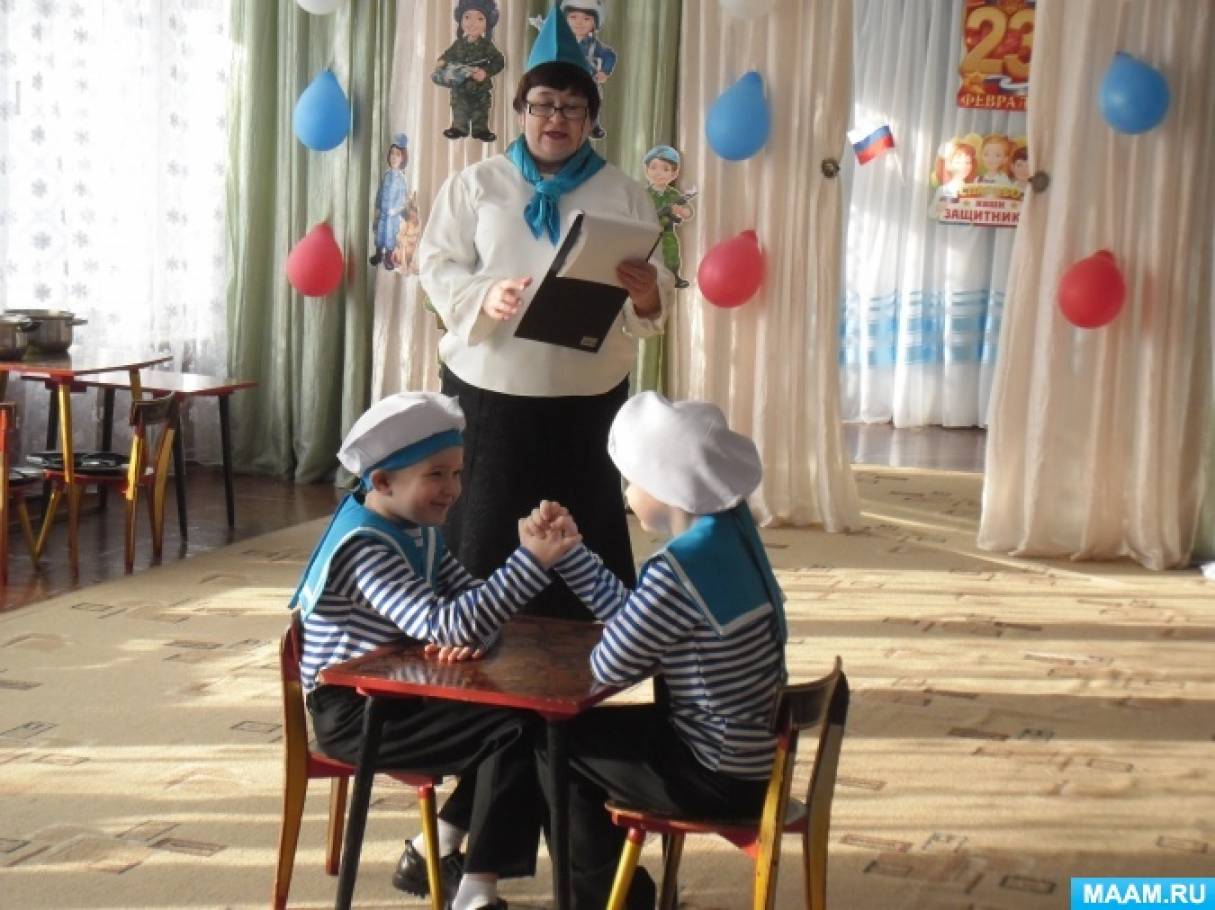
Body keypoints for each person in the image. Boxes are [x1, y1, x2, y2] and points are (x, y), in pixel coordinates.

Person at [418, 7, 671, 622]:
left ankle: (591, 657)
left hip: (587, 400)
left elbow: (654, 285)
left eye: (572, 107)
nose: (556, 118)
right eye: (543, 104)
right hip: (491, 394)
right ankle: (472, 649)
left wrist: (646, 295)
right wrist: (484, 296)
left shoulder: (623, 193)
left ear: (590, 118)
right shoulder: (477, 183)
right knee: (482, 540)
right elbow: (436, 263)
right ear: (521, 111)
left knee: (585, 542)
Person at [289, 391, 578, 910]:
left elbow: (469, 606)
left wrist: (470, 636)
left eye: (457, 473)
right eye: (436, 474)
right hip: (353, 712)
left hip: (399, 690)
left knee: (530, 718)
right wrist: (528, 565)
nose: (453, 489)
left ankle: (438, 849)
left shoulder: (419, 530)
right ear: (382, 481)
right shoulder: (365, 547)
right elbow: (451, 622)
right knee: (519, 730)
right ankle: (472, 889)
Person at [524, 391, 788, 909]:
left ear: (666, 485)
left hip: (712, 772)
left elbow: (609, 664)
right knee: (579, 740)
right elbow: (642, 620)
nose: (627, 493)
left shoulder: (677, 570)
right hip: (753, 761)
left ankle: (610, 900)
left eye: (632, 480)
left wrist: (624, 630)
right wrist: (573, 555)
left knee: (553, 745)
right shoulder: (730, 539)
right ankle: (618, 892)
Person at [434, 0, 505, 142]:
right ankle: (459, 128)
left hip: (480, 87)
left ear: (487, 24)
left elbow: (499, 61)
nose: (472, 23)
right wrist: (442, 61)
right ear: (460, 20)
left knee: (481, 108)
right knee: (459, 106)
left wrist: (485, 72)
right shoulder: (458, 44)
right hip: (460, 85)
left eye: (480, 19)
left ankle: (480, 130)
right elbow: (447, 55)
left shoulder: (487, 45)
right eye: (467, 17)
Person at [560, 0, 615, 140]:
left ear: (594, 24)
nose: (579, 23)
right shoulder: (561, 43)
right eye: (573, 17)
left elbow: (609, 56)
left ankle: (593, 125)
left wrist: (605, 71)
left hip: (588, 80)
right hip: (564, 80)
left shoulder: (594, 46)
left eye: (586, 19)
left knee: (592, 101)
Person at [642, 145, 693, 289]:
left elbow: (688, 212)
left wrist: (681, 211)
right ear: (646, 171)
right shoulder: (644, 194)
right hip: (650, 233)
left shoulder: (673, 194)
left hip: (668, 232)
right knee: (651, 257)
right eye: (653, 167)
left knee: (672, 253)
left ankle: (675, 277)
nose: (658, 173)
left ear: (674, 174)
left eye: (665, 169)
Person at [369, 133, 410, 270]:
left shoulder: (402, 179)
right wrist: (377, 205)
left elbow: (403, 200)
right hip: (383, 212)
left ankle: (388, 257)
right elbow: (381, 191)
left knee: (390, 236)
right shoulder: (386, 175)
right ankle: (378, 253)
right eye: (392, 153)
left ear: (403, 158)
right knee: (380, 233)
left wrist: (396, 210)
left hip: (393, 216)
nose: (394, 157)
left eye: (397, 154)